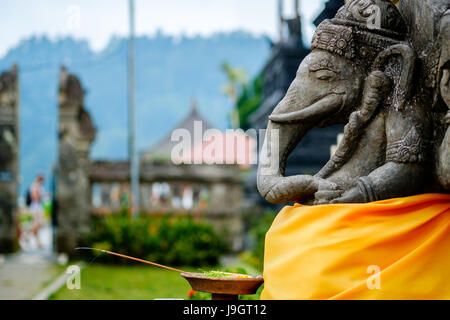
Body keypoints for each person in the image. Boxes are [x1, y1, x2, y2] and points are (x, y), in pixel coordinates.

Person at [22, 174, 46, 249]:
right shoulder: (35, 186)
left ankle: (38, 243)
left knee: (37, 225)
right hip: (36, 207)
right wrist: (42, 197)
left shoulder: (36, 185)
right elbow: (35, 197)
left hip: (36, 206)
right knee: (38, 224)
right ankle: (25, 236)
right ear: (40, 179)